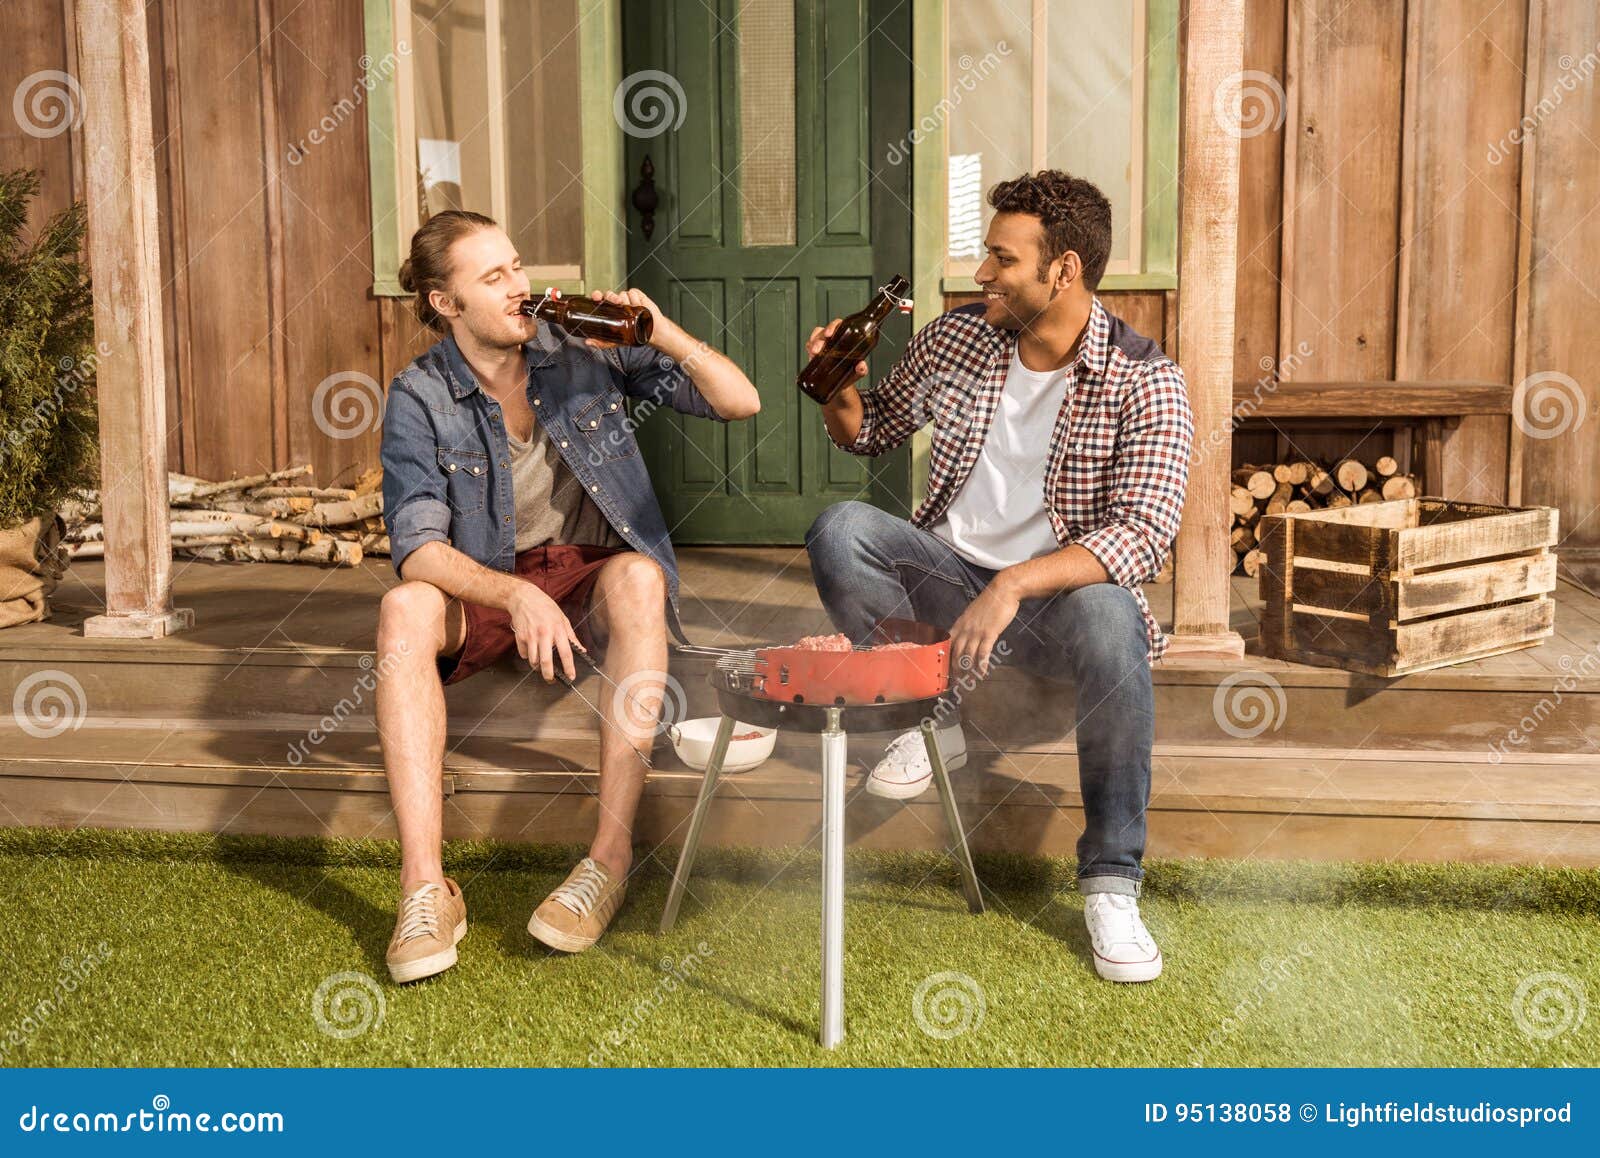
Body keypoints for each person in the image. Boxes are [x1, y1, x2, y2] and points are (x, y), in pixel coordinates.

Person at [803, 171, 1193, 983]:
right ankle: (928, 721)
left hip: (1053, 611)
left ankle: (1112, 881)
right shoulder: (956, 341)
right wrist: (837, 384)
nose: (982, 273)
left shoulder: (1144, 379)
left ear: (1065, 271)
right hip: (947, 580)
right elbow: (870, 431)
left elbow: (1144, 535)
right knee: (841, 529)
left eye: (1001, 259)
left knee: (1113, 614)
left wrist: (1012, 583)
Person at [376, 210, 760, 982]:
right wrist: (514, 595)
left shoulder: (583, 346)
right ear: (446, 304)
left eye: (517, 266)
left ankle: (607, 863)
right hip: (492, 578)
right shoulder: (420, 394)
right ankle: (425, 888)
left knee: (642, 575)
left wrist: (662, 332)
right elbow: (418, 549)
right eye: (494, 278)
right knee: (402, 608)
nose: (521, 288)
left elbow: (738, 401)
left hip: (589, 578)